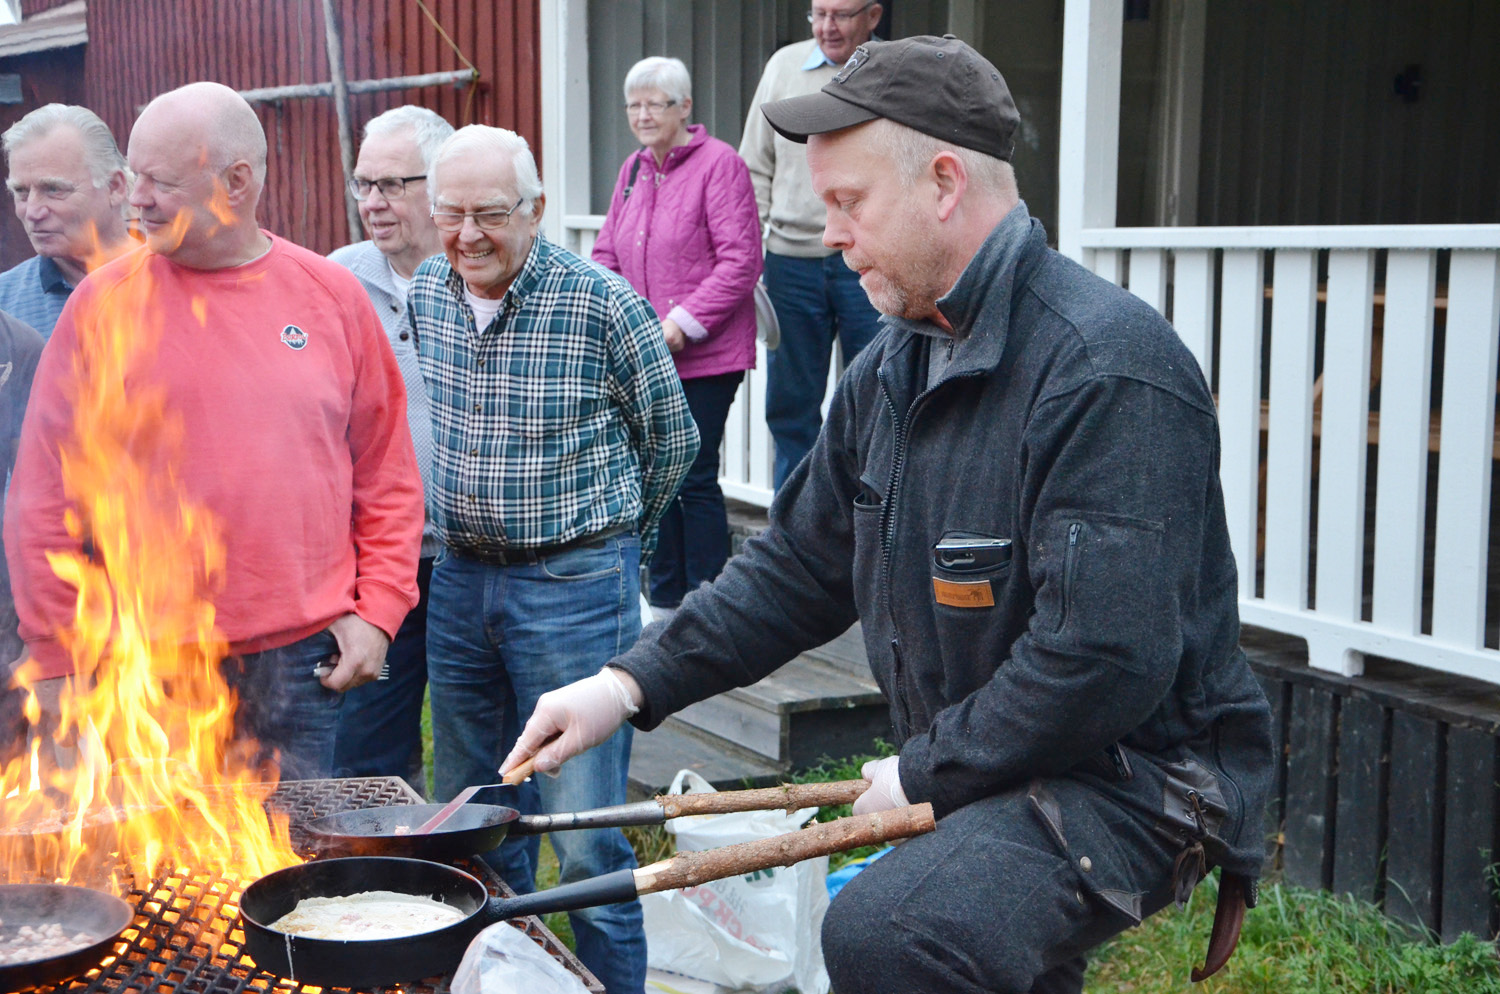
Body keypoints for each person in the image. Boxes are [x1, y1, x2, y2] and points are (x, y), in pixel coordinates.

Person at [503, 36, 1274, 994]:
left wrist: (923, 775)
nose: (828, 236)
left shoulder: (1105, 367)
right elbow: (797, 568)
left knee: (889, 931)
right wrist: (622, 687)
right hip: (1007, 745)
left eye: (847, 203)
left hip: (1137, 773)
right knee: (965, 930)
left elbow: (1102, 660)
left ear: (944, 183)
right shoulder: (891, 365)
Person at [4, 81, 423, 781]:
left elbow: (387, 476)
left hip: (302, 667)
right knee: (161, 884)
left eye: (158, 181)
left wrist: (378, 611)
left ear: (237, 182)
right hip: (147, 666)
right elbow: (44, 495)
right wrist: (52, 651)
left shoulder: (330, 297)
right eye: (132, 175)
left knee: (292, 879)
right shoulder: (100, 307)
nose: (135, 198)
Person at [408, 124, 696, 994]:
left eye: (490, 213)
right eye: (449, 214)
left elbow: (672, 444)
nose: (467, 235)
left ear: (535, 210)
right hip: (459, 582)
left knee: (583, 835)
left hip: (574, 589)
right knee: (468, 815)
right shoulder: (427, 290)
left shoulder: (602, 303)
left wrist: (613, 558)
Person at [592, 57, 761, 617]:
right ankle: (665, 602)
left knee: (692, 474)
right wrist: (625, 319)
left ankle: (709, 604)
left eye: (654, 103)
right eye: (633, 104)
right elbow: (606, 253)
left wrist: (681, 323)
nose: (642, 115)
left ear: (684, 108)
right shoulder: (635, 170)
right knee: (655, 474)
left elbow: (741, 261)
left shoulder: (720, 166)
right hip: (648, 354)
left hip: (706, 355)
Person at [328, 105, 454, 786]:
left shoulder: (483, 276)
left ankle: (472, 887)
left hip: (474, 563)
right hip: (378, 562)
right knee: (366, 751)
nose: (372, 203)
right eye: (363, 185)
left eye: (392, 185)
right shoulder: (334, 282)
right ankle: (368, 882)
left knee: (478, 758)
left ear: (439, 186)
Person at [740, 0, 885, 489]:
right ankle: (796, 539)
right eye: (818, 13)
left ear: (873, 17)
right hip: (790, 264)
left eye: (841, 14)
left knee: (881, 397)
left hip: (870, 262)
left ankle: (869, 528)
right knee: (791, 408)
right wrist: (751, 254)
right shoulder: (782, 67)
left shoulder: (895, 72)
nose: (827, 27)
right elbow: (755, 167)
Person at [0, 105, 134, 339]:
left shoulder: (181, 285)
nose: (32, 211)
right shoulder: (5, 306)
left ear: (115, 187)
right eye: (21, 191)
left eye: (53, 189)